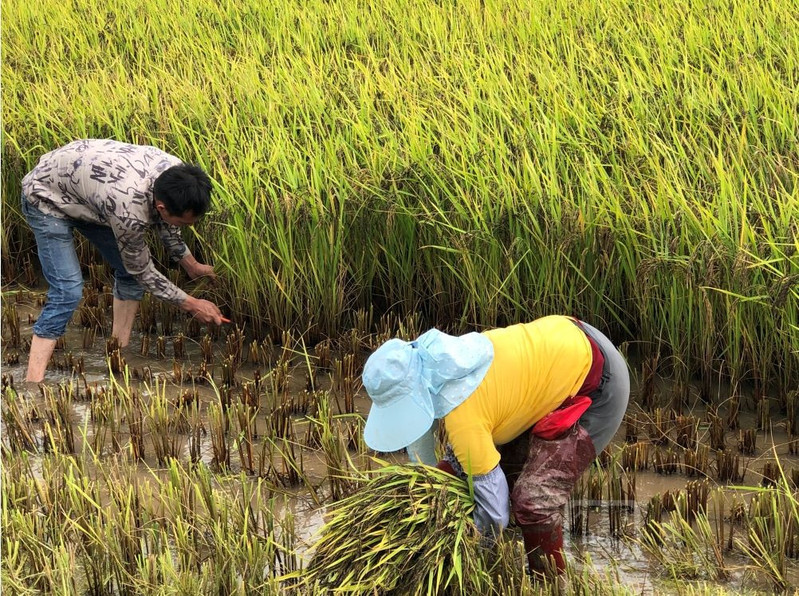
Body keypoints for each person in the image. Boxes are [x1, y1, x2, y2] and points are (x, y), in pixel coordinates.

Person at [361, 315, 630, 579]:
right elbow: (426, 456)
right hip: (564, 336)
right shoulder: (437, 360)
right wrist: (427, 494)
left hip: (598, 381)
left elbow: (494, 513)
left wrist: (475, 556)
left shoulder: (464, 418)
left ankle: (549, 583)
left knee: (532, 501)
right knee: (476, 471)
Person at [20, 139, 226, 383]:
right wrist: (192, 304)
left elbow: (168, 222)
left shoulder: (177, 176)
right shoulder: (129, 210)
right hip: (46, 197)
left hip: (89, 193)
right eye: (184, 223)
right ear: (160, 206)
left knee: (126, 276)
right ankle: (33, 383)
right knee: (68, 291)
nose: (185, 227)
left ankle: (117, 355)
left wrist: (191, 265)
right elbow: (142, 272)